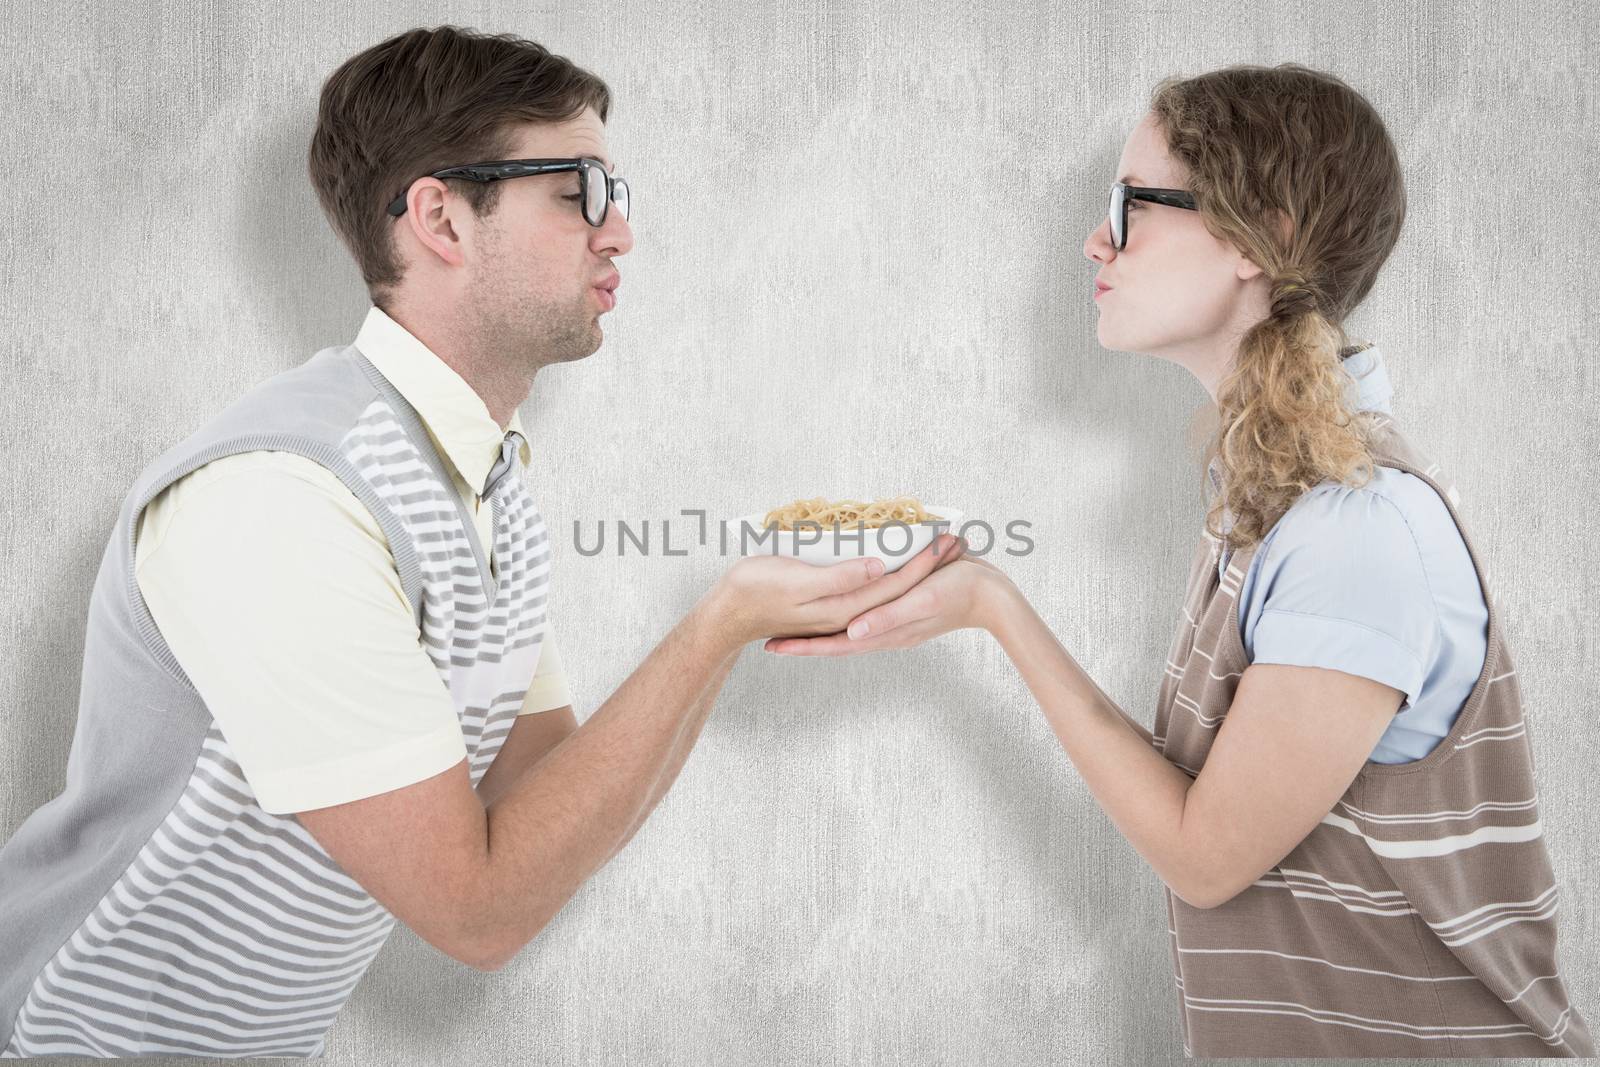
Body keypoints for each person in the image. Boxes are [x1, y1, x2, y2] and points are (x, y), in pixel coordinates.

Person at [0, 26, 956, 1058]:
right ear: (441, 218)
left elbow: (534, 803)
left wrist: (729, 632)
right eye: (578, 190)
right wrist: (717, 622)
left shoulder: (484, 478)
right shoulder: (280, 498)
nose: (620, 233)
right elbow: (476, 909)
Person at [768, 63, 1593, 1058]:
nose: (1094, 240)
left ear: (1260, 237)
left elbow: (1207, 858)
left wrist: (998, 611)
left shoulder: (1354, 527)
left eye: (1130, 205)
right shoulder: (1274, 497)